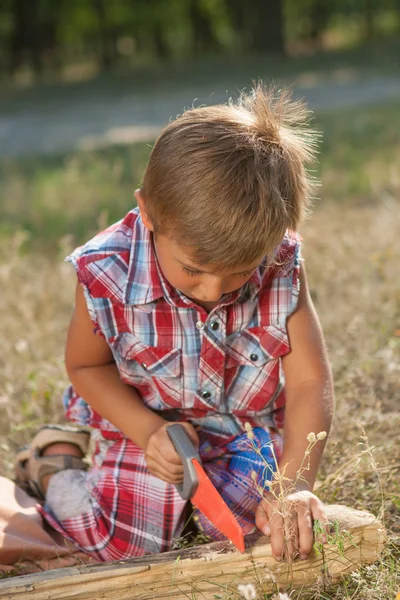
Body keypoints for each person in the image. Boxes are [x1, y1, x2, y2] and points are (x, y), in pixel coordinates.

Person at [15, 84, 334, 563]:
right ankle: (53, 464)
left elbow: (310, 382)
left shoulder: (282, 263)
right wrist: (146, 431)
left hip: (238, 430)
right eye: (193, 270)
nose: (214, 291)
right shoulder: (106, 272)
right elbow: (84, 368)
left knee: (263, 526)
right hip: (142, 427)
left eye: (240, 272)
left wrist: (293, 485)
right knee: (127, 544)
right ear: (147, 212)